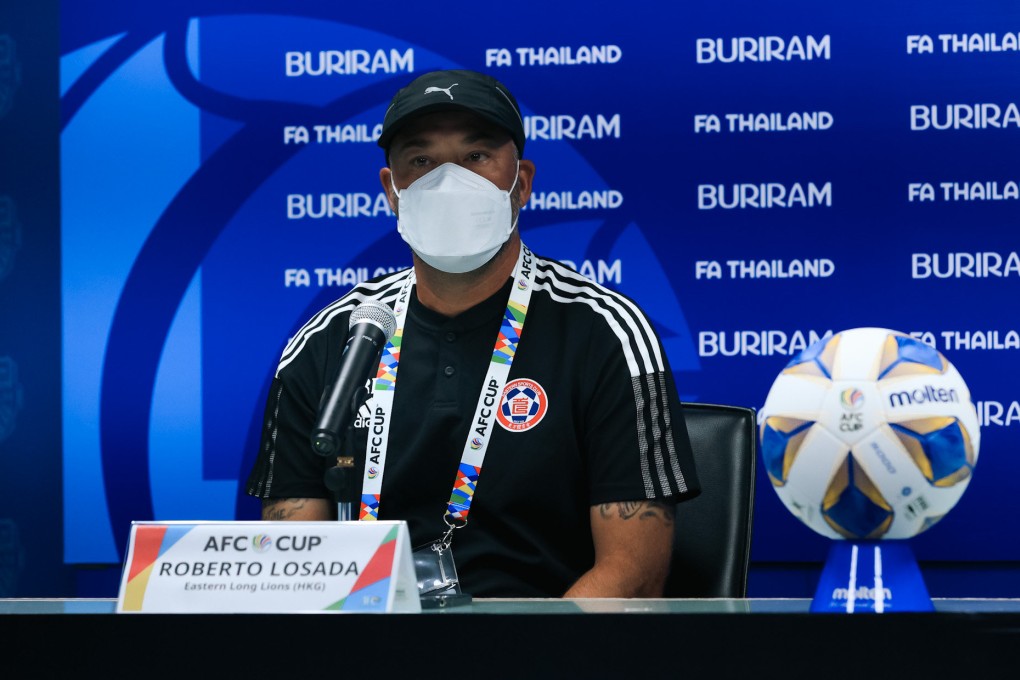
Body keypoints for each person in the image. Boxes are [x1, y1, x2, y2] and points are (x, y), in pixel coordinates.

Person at [246, 69, 700, 598]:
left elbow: (632, 576)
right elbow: (293, 574)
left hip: (550, 652)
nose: (448, 179)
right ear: (391, 192)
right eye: (422, 161)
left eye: (476, 157)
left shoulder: (605, 333)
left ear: (522, 183)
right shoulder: (334, 342)